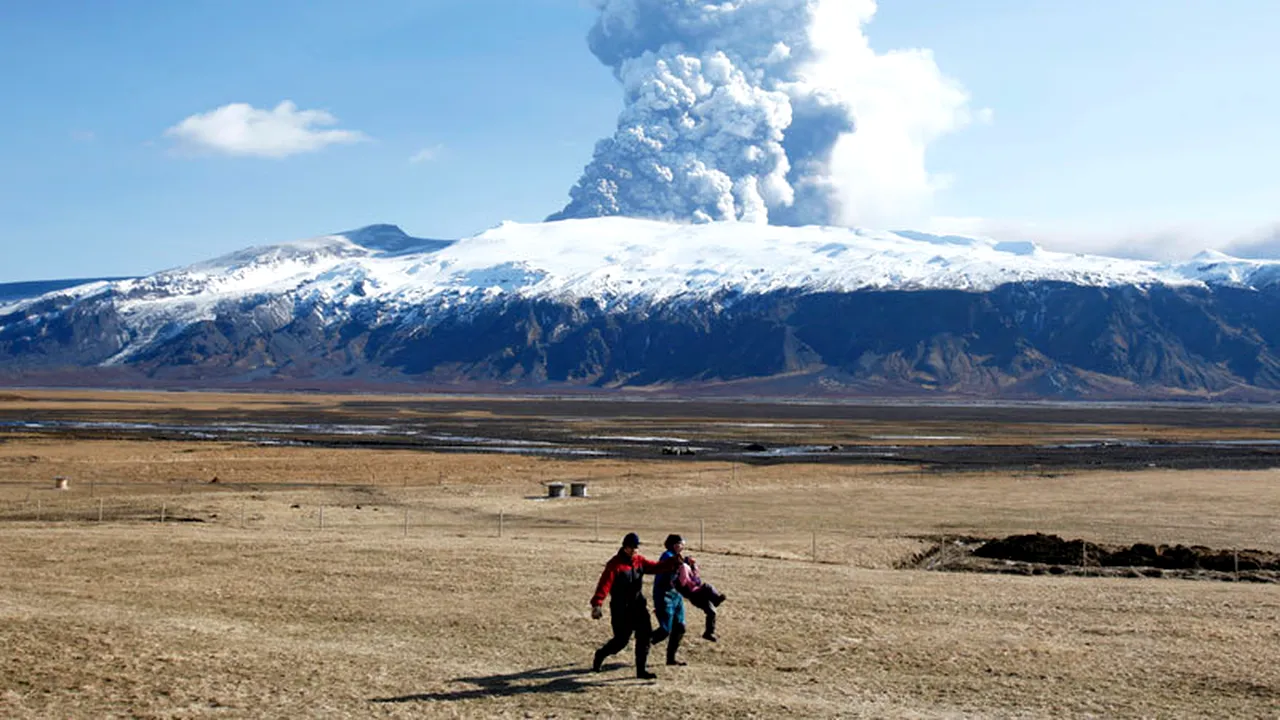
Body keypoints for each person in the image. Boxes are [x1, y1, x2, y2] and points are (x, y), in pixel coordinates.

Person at [590, 532, 681, 679]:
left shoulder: (639, 561)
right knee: (621, 641)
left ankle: (641, 671)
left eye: (636, 547)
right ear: (624, 547)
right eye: (631, 547)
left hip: (639, 606)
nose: (634, 550)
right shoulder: (615, 564)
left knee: (644, 637)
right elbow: (604, 585)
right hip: (621, 609)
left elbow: (656, 568)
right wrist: (597, 604)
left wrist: (673, 562)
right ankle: (600, 654)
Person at [650, 533, 691, 666]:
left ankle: (671, 659)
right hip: (664, 595)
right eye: (680, 544)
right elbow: (669, 570)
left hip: (676, 596)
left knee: (680, 627)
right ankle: (644, 643)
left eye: (683, 544)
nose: (682, 546)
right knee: (665, 630)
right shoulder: (667, 556)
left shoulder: (678, 557)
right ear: (673, 545)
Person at [675, 553, 727, 642]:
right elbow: (683, 582)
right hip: (695, 595)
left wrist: (694, 567)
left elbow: (696, 580)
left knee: (712, 612)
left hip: (699, 594)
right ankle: (716, 600)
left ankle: (708, 633)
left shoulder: (692, 570)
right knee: (707, 587)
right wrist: (685, 570)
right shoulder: (683, 568)